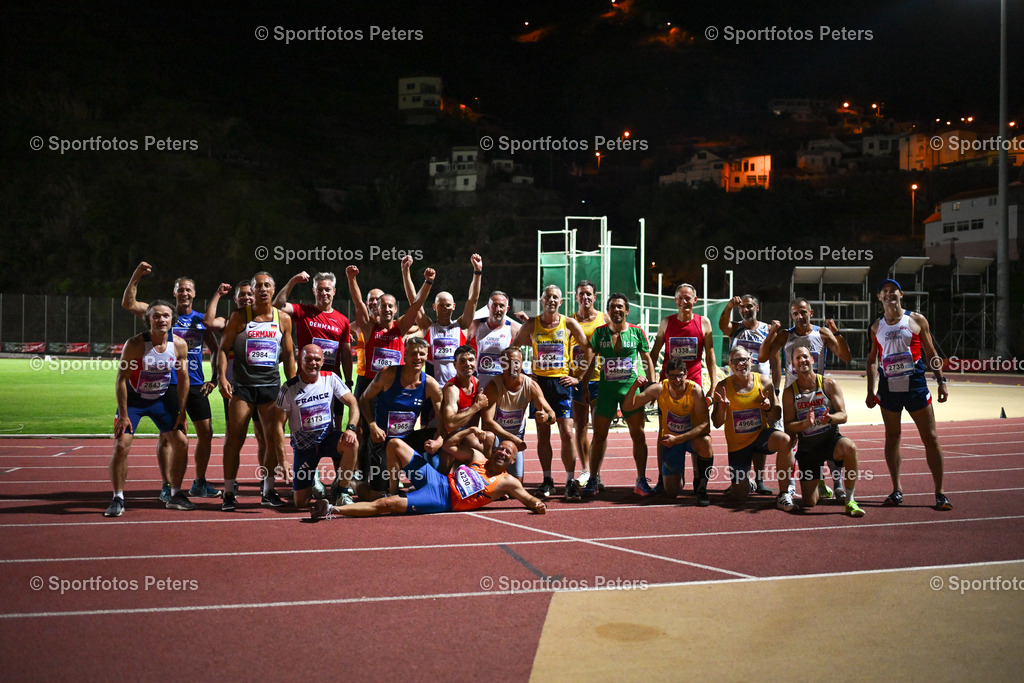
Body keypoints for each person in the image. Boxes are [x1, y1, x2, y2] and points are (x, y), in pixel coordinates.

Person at [122, 262, 221, 500]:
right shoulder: (163, 315)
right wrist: (137, 275)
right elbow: (129, 303)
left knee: (206, 433)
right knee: (167, 436)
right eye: (180, 289)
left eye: (188, 290)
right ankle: (167, 485)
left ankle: (199, 482)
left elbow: (216, 349)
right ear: (174, 293)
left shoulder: (201, 320)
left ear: (194, 294)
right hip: (167, 385)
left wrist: (215, 378)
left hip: (195, 384)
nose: (184, 293)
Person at [310, 427, 546, 519]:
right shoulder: (477, 457)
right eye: (501, 449)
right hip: (438, 479)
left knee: (387, 505)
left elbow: (529, 500)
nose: (502, 453)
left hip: (441, 499)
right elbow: (449, 446)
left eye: (507, 453)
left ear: (512, 460)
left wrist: (538, 505)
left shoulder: (508, 482)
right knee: (395, 444)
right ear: (494, 451)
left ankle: (331, 510)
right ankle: (393, 489)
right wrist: (469, 431)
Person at [866, 279, 952, 511]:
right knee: (892, 437)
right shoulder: (876, 326)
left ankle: (940, 493)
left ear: (901, 294)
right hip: (888, 387)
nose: (889, 294)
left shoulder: (916, 320)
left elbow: (931, 353)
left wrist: (941, 381)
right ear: (879, 297)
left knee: (930, 437)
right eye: (884, 291)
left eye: (893, 291)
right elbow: (872, 360)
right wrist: (870, 391)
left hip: (915, 385)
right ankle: (896, 489)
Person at [105, 300, 195, 516]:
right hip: (134, 402)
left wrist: (182, 412)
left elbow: (184, 379)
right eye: (156, 316)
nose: (161, 319)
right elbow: (121, 379)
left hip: (161, 401)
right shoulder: (135, 344)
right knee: (121, 445)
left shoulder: (179, 345)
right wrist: (123, 414)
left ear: (172, 319)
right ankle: (118, 498)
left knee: (182, 442)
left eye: (165, 315)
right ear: (148, 320)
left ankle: (175, 494)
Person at [759, 297, 852, 502]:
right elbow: (762, 357)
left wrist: (836, 332)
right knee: (792, 440)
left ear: (811, 312)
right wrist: (771, 333)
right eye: (795, 313)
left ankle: (837, 485)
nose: (799, 316)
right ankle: (791, 486)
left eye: (803, 312)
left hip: (819, 394)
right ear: (791, 316)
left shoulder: (822, 333)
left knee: (828, 436)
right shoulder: (786, 335)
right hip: (793, 396)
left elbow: (845, 356)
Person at [216, 272, 296, 511]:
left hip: (270, 388)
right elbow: (223, 349)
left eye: (267, 285)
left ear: (273, 289)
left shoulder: (283, 319)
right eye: (258, 286)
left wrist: (293, 386)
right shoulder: (240, 317)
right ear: (252, 290)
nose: (263, 289)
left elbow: (289, 355)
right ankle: (228, 492)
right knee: (235, 439)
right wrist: (222, 377)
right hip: (243, 388)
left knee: (272, 440)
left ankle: (268, 490)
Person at [512, 285, 590, 501]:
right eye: (548, 297)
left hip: (562, 384)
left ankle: (570, 482)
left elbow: (588, 348)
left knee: (567, 433)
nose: (551, 300)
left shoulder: (569, 323)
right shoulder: (532, 324)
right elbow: (514, 348)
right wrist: (524, 373)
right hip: (540, 385)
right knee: (543, 433)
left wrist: (578, 377)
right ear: (542, 300)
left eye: (555, 297)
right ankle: (547, 480)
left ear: (561, 301)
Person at [579, 294, 656, 498]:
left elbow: (647, 359)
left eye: (620, 307)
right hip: (606, 391)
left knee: (638, 434)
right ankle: (593, 479)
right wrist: (584, 386)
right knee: (599, 436)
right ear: (608, 311)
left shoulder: (637, 332)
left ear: (627, 310)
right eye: (613, 307)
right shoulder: (599, 333)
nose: (617, 310)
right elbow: (589, 360)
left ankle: (641, 480)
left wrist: (652, 386)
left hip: (631, 390)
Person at [274, 344, 360, 511]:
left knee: (352, 443)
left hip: (328, 439)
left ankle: (342, 492)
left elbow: (353, 403)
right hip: (304, 448)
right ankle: (312, 476)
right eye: (308, 359)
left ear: (322, 361)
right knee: (301, 503)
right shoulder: (289, 388)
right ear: (300, 360)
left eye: (317, 359)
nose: (313, 363)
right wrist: (282, 460)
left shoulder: (330, 378)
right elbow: (278, 425)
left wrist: (351, 428)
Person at [649, 283, 717, 494]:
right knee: (664, 431)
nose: (684, 302)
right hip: (668, 388)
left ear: (695, 300)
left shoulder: (703, 322)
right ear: (675, 300)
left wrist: (713, 386)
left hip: (694, 387)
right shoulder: (666, 322)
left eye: (688, 298)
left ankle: (698, 480)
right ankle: (663, 478)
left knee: (697, 432)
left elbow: (710, 356)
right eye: (680, 298)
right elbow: (654, 354)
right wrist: (652, 383)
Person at [783, 344, 864, 517]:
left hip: (830, 441)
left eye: (805, 356)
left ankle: (850, 500)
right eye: (798, 358)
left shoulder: (828, 384)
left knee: (850, 447)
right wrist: (805, 424)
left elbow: (843, 415)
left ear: (812, 359)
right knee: (809, 502)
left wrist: (830, 418)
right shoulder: (790, 393)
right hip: (808, 449)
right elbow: (788, 425)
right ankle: (820, 486)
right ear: (793, 365)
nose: (802, 360)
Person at [711, 346, 795, 511]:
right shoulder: (722, 387)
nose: (740, 364)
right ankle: (746, 483)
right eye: (736, 361)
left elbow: (777, 415)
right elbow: (717, 423)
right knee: (739, 497)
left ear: (750, 361)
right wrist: (721, 409)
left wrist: (768, 407)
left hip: (760, 438)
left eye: (744, 359)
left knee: (785, 440)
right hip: (738, 447)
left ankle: (785, 493)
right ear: (730, 364)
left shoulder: (764, 382)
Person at [358, 336, 444, 496]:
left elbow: (444, 420)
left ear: (426, 356)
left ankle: (433, 482)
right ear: (405, 354)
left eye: (421, 354)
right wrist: (372, 425)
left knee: (440, 438)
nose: (417, 357)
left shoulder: (430, 384)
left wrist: (439, 440)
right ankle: (357, 484)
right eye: (413, 353)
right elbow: (364, 398)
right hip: (382, 440)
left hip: (407, 441)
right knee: (375, 496)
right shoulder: (388, 374)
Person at [623, 357, 714, 505]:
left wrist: (678, 439)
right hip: (672, 443)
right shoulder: (659, 389)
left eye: (680, 376)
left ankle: (701, 487)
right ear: (666, 375)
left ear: (686, 374)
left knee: (705, 442)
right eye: (673, 376)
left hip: (688, 439)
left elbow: (705, 425)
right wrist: (635, 386)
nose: (677, 380)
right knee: (671, 492)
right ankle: (679, 473)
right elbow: (628, 407)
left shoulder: (695, 391)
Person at [204, 280, 267, 495]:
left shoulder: (265, 320)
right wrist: (217, 294)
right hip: (234, 387)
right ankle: (230, 484)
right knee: (233, 438)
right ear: (235, 298)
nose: (246, 298)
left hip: (261, 385)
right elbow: (208, 322)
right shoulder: (228, 321)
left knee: (262, 436)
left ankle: (265, 481)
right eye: (242, 295)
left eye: (250, 294)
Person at [719, 293, 779, 495]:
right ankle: (738, 478)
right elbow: (722, 325)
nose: (745, 310)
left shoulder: (767, 330)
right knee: (738, 432)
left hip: (760, 389)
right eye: (742, 307)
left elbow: (775, 362)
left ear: (757, 307)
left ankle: (760, 480)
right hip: (737, 390)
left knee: (760, 432)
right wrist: (729, 306)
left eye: (749, 306)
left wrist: (775, 390)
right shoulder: (735, 328)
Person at [401, 254, 483, 389]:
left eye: (448, 305)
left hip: (457, 387)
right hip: (433, 388)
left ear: (454, 306)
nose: (445, 309)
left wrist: (477, 272)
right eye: (441, 305)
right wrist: (405, 272)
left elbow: (473, 299)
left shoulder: (462, 326)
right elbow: (413, 300)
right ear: (434, 307)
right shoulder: (427, 326)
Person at [481, 346, 557, 482]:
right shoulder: (493, 386)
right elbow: (487, 422)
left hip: (515, 441)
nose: (513, 366)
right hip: (498, 438)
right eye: (509, 362)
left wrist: (546, 417)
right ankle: (485, 473)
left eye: (516, 362)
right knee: (488, 437)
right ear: (502, 364)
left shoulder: (531, 385)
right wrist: (513, 438)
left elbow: (552, 415)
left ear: (521, 364)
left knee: (517, 484)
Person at [273, 271, 353, 384]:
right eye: (319, 289)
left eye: (327, 289)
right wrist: (293, 281)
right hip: (305, 381)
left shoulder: (343, 320)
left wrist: (348, 381)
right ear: (314, 291)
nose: (324, 293)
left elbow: (346, 356)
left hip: (331, 382)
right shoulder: (302, 312)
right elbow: (277, 306)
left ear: (334, 291)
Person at [568, 280, 606, 491]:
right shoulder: (569, 320)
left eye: (588, 294)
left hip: (599, 380)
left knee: (600, 429)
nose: (585, 297)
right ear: (576, 297)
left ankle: (596, 472)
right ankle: (585, 469)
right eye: (581, 294)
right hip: (576, 380)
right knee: (580, 426)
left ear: (595, 297)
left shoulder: (604, 319)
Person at [468, 290, 522, 390]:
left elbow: (536, 342)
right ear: (488, 307)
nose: (498, 309)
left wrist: (527, 322)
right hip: (479, 385)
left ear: (507, 308)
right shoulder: (476, 325)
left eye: (501, 306)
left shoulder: (513, 328)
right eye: (494, 305)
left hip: (502, 387)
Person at [439, 345, 489, 436]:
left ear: (475, 362)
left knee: (489, 436)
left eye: (471, 360)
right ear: (455, 364)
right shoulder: (452, 389)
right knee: (478, 440)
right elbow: (450, 425)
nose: (467, 364)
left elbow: (474, 418)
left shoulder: (476, 382)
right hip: (447, 435)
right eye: (462, 361)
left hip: (466, 433)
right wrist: (477, 406)